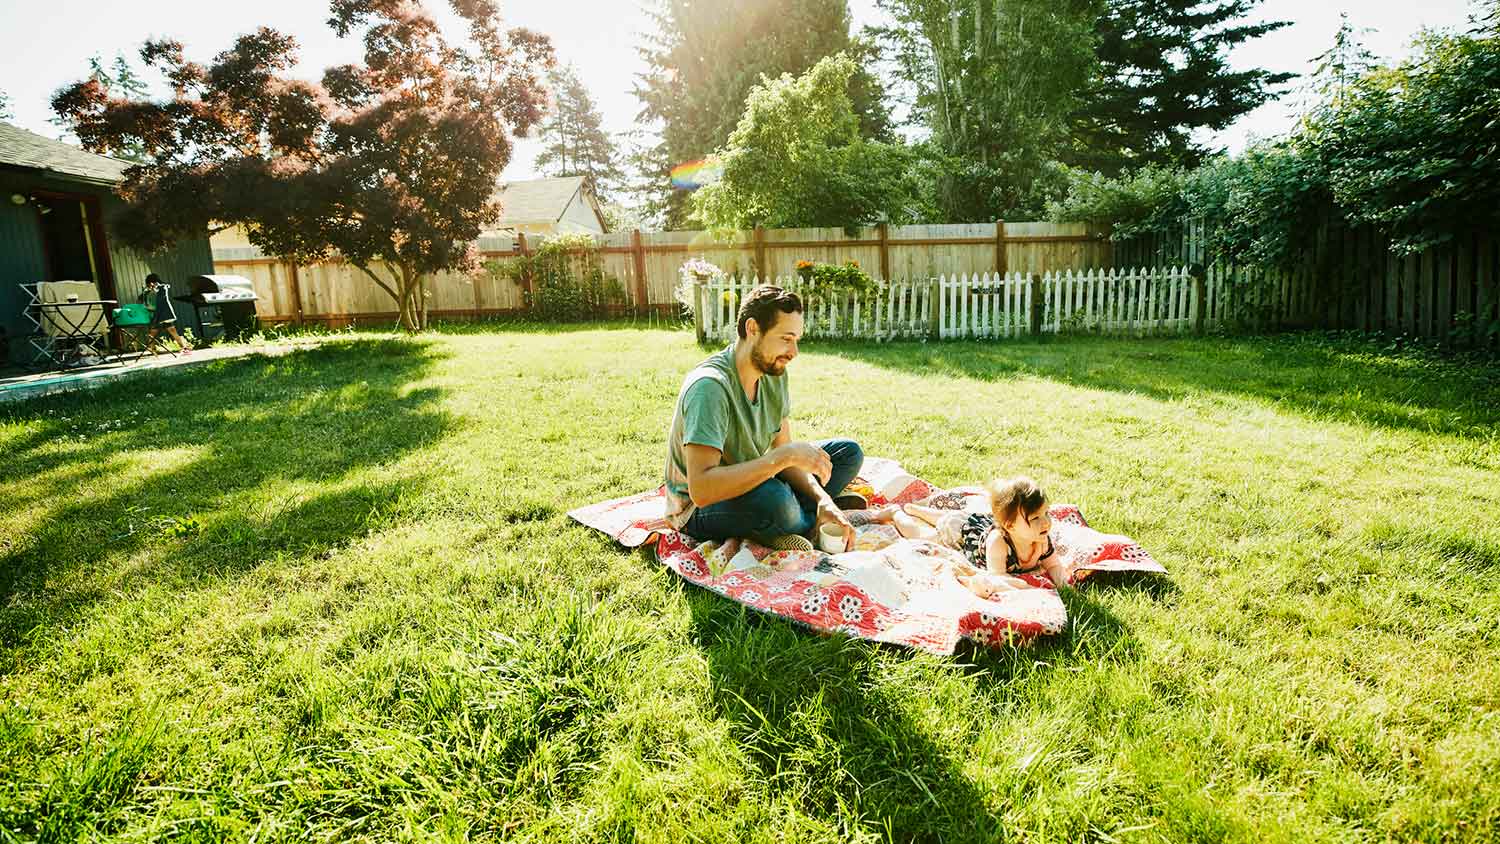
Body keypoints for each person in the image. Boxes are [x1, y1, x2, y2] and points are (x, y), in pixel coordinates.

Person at [664, 285, 865, 553]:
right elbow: (702, 490)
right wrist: (785, 457)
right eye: (786, 338)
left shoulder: (774, 374)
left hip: (754, 478)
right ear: (752, 328)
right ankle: (795, 522)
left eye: (797, 340)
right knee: (776, 501)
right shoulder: (709, 387)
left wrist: (823, 498)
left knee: (847, 453)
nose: (794, 352)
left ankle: (808, 514)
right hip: (698, 510)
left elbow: (783, 450)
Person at [867, 475, 1069, 589]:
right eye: (1035, 518)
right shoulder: (998, 543)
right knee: (925, 533)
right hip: (962, 534)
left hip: (979, 522)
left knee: (950, 517)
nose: (1046, 523)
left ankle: (920, 510)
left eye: (1046, 513)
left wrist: (1064, 586)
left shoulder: (1041, 537)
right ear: (1010, 526)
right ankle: (897, 513)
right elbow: (997, 578)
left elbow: (1054, 565)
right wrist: (1030, 589)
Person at [141, 274, 192, 354]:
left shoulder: (161, 288)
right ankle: (152, 349)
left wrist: (155, 289)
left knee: (172, 331)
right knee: (153, 332)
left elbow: (162, 297)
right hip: (155, 314)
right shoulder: (147, 292)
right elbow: (146, 303)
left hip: (163, 314)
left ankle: (184, 347)